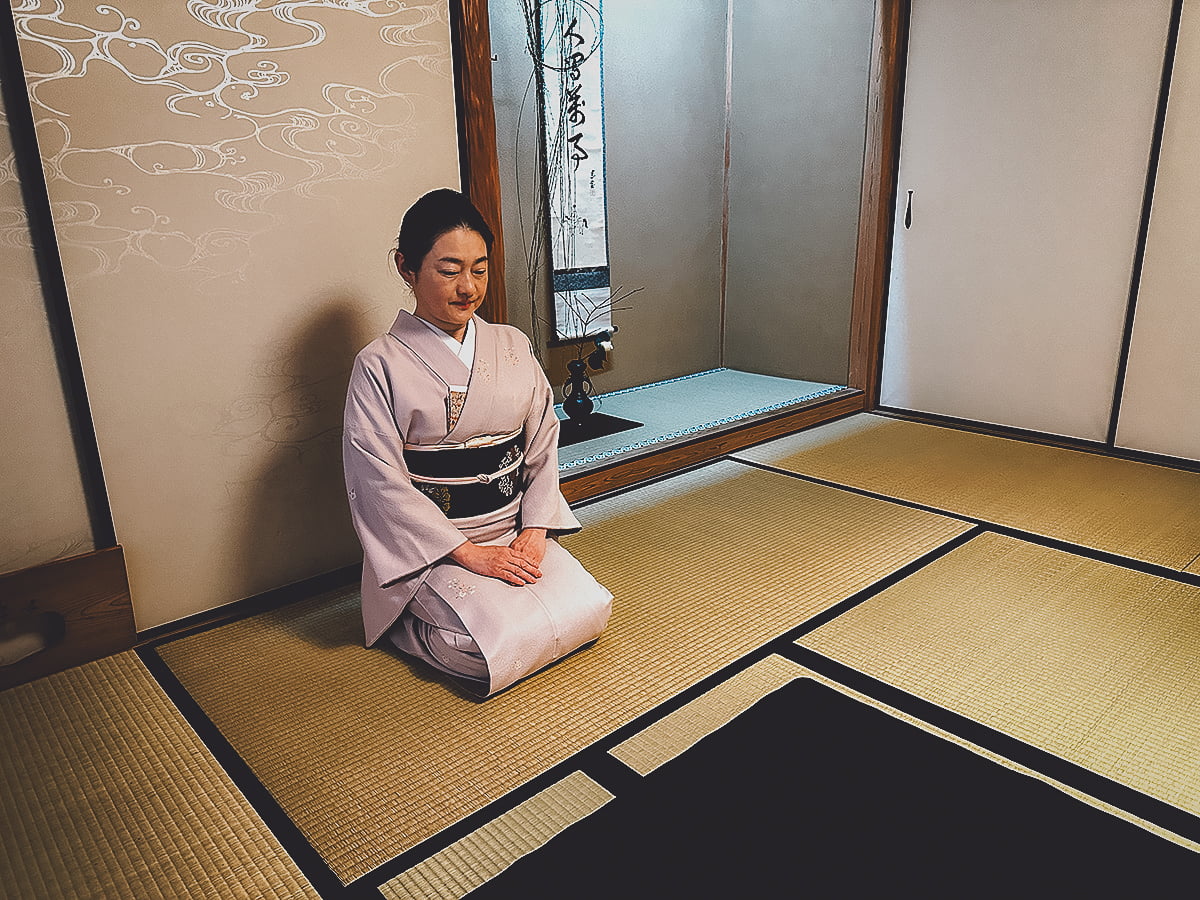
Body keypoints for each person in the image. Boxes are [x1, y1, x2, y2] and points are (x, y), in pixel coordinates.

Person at [342, 189, 612, 696]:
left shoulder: (511, 344)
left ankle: (457, 607)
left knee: (590, 608)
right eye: (449, 270)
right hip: (435, 545)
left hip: (512, 531)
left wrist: (534, 529)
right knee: (483, 653)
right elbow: (377, 480)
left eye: (480, 269)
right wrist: (468, 554)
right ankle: (408, 618)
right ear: (407, 267)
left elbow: (542, 441)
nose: (468, 288)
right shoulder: (378, 365)